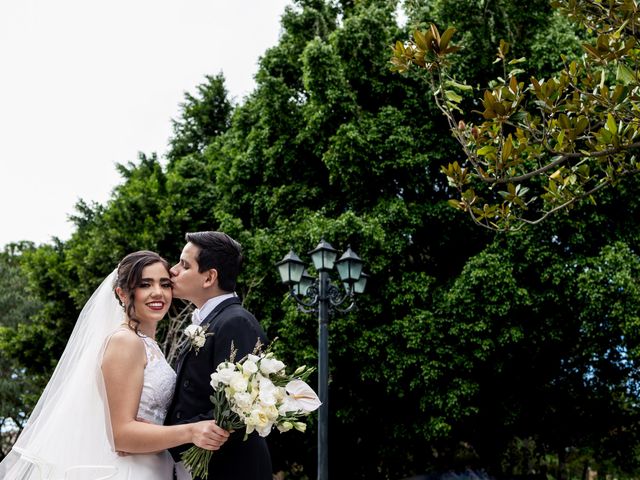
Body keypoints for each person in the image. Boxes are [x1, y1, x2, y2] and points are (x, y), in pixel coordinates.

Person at [0, 250, 229, 480]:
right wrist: (191, 431)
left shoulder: (147, 344)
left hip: (155, 467)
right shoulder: (125, 341)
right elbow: (122, 436)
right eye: (145, 285)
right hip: (132, 471)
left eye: (164, 284)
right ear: (122, 293)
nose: (157, 293)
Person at [165, 231, 273, 480]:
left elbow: (238, 408)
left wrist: (171, 436)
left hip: (230, 468)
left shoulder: (236, 322)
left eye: (184, 265)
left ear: (209, 277)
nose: (173, 271)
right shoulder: (212, 321)